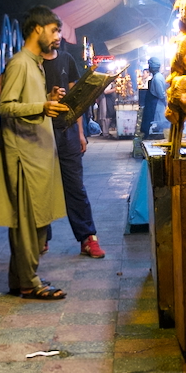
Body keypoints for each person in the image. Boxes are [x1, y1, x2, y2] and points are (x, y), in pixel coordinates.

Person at [0, 6, 69, 300]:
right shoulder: (20, 63)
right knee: (28, 224)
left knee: (36, 221)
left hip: (38, 154)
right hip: (24, 157)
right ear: (37, 29)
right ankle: (29, 282)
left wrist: (47, 99)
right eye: (54, 30)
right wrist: (41, 107)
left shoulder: (34, 64)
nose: (58, 37)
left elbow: (26, 102)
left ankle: (19, 279)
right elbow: (6, 106)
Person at [40, 37, 106, 259]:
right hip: (40, 133)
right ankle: (41, 237)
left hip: (67, 131)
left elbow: (75, 101)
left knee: (75, 186)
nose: (57, 35)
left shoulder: (67, 60)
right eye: (52, 30)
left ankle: (88, 238)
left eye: (59, 31)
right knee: (42, 187)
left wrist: (80, 133)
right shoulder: (30, 63)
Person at [137, 57, 166, 138]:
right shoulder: (156, 77)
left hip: (155, 107)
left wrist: (166, 104)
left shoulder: (157, 78)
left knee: (153, 126)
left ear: (152, 67)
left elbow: (161, 95)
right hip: (152, 106)